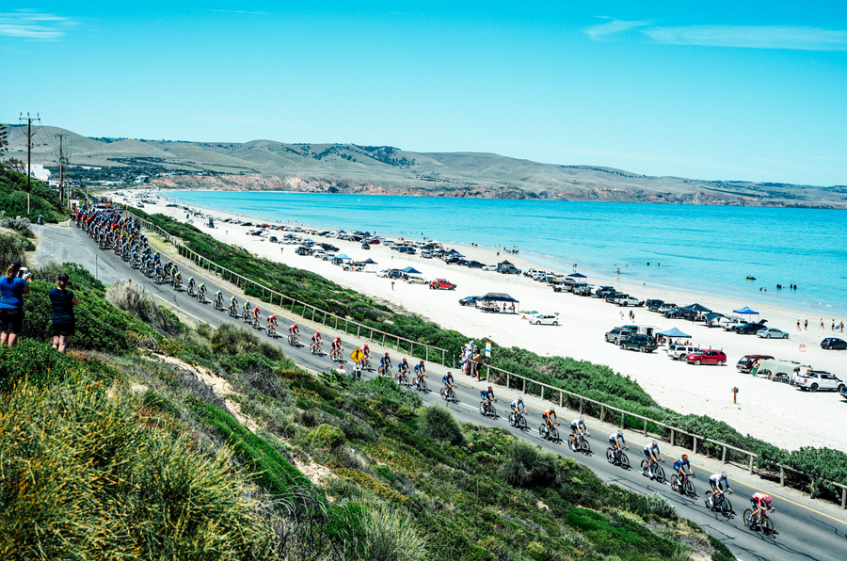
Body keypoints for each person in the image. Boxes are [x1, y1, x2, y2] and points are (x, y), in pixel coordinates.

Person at [0, 261, 30, 347]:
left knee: (5, 331)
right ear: (18, 269)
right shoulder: (20, 281)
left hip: (2, 307)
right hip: (14, 309)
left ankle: (2, 352)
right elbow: (27, 291)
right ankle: (11, 352)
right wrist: (24, 281)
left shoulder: (1, 279)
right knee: (13, 332)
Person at [48, 272, 79, 354]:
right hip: (66, 320)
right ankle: (60, 363)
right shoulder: (69, 294)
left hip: (56, 319)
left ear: (58, 280)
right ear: (66, 283)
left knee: (55, 342)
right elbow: (76, 302)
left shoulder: (51, 292)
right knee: (63, 343)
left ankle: (51, 359)